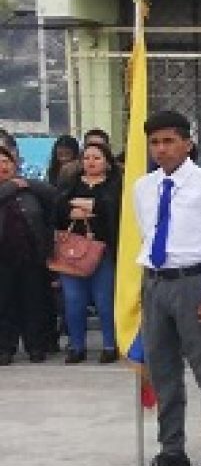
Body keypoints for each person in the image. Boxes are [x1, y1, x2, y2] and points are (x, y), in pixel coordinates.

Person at [131, 111, 201, 466]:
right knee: (162, 371)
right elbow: (148, 233)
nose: (161, 149)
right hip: (156, 282)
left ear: (187, 143)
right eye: (155, 143)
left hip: (194, 283)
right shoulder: (143, 187)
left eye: (168, 141)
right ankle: (171, 449)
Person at [57, 140, 121, 363]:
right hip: (72, 252)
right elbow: (58, 210)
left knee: (105, 301)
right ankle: (76, 346)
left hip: (102, 252)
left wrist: (87, 205)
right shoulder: (70, 183)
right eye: (87, 158)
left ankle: (110, 345)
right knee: (73, 301)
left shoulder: (116, 185)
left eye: (96, 157)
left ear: (107, 162)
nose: (91, 162)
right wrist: (75, 209)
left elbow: (111, 210)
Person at [0, 148, 60, 365]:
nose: (3, 166)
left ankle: (36, 346)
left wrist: (25, 183)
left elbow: (54, 195)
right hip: (3, 259)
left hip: (31, 256)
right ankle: (5, 348)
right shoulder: (9, 189)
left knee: (33, 303)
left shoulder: (28, 189)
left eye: (7, 161)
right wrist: (10, 187)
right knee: (4, 304)